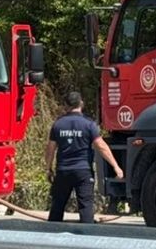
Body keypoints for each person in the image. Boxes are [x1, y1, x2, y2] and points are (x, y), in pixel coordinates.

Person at [45, 91, 123, 223]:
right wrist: (116, 167)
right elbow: (101, 146)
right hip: (83, 172)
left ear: (65, 105)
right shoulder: (89, 124)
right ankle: (87, 238)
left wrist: (48, 168)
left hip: (63, 171)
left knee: (57, 207)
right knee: (86, 207)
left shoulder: (58, 124)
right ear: (81, 104)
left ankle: (51, 237)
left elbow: (50, 149)